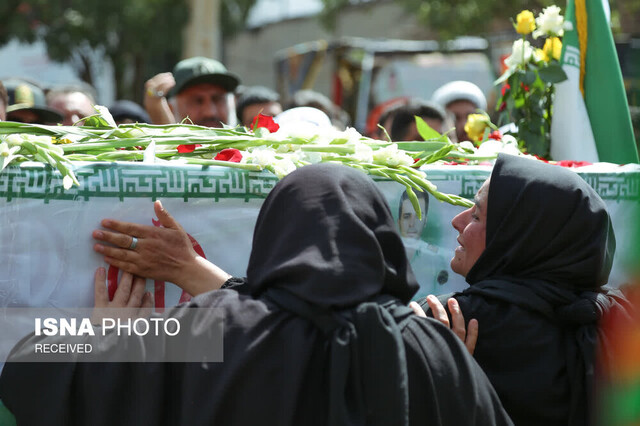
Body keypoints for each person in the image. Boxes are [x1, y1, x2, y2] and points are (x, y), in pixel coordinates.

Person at [0, 164, 514, 425]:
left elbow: (27, 363)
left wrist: (103, 337)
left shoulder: (210, 331)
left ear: (273, 237)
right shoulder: (433, 349)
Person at [418, 154, 632, 426]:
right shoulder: (616, 326)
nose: (457, 221)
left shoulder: (450, 320)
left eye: (476, 214)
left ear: (516, 234)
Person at [143, 56, 240, 128]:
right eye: (197, 101)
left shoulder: (252, 152)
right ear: (171, 109)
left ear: (233, 103)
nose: (209, 112)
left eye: (217, 99)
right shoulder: (143, 153)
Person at [397, 190, 451, 298]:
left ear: (425, 221)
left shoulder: (437, 259)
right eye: (407, 216)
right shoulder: (385, 256)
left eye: (418, 217)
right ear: (399, 221)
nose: (412, 224)